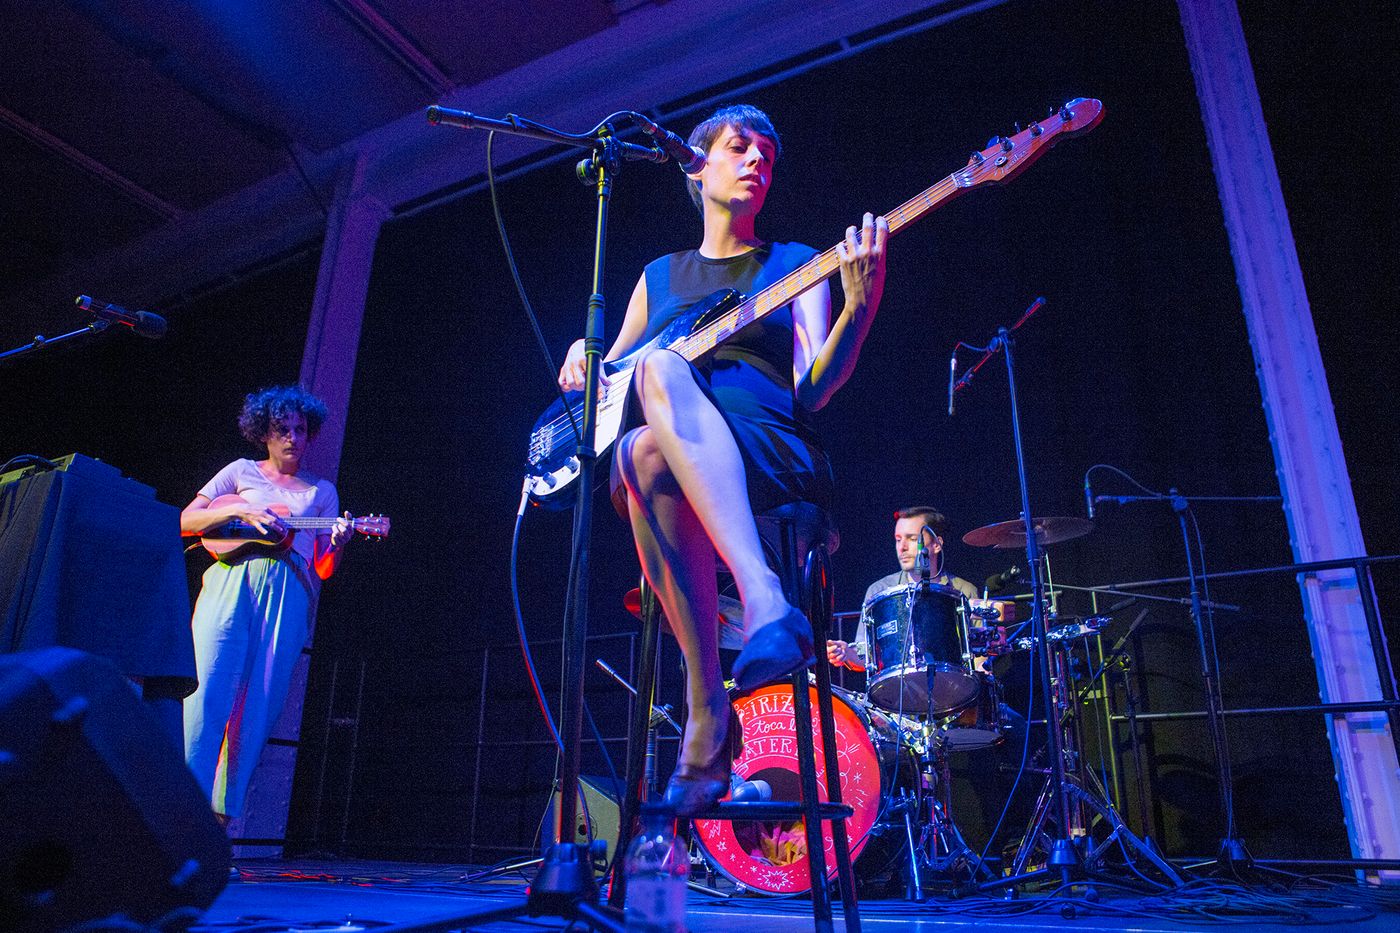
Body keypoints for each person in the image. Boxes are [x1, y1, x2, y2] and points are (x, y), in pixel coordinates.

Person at [558, 104, 889, 815]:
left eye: (768, 155)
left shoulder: (796, 262)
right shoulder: (659, 276)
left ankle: (758, 606)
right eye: (740, 147)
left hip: (775, 456)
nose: (757, 161)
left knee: (661, 376)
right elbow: (610, 374)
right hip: (678, 471)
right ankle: (711, 710)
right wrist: (581, 361)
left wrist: (856, 315)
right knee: (642, 441)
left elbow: (812, 387)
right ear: (696, 165)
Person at [179, 385, 353, 824]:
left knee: (257, 711)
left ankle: (218, 829)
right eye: (282, 430)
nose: (293, 438)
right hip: (231, 581)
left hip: (289, 593)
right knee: (204, 698)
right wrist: (235, 516)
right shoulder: (239, 471)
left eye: (300, 430)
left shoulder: (321, 491)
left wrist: (337, 543)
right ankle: (181, 821)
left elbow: (324, 567)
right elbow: (185, 521)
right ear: (264, 433)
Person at [827, 506, 979, 671]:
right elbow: (867, 657)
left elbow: (979, 656)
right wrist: (847, 653)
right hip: (898, 693)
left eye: (912, 539)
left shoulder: (963, 591)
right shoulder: (879, 590)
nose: (902, 547)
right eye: (898, 539)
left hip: (952, 688)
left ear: (936, 544)